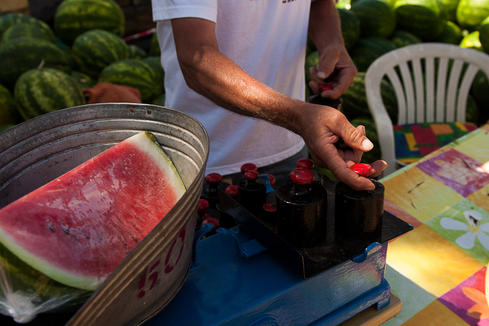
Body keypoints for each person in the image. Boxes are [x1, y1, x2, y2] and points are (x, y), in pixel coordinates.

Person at [151, 0, 386, 191]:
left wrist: (332, 44)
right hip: (211, 160)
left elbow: (318, 3)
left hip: (292, 148)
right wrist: (299, 117)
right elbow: (196, 59)